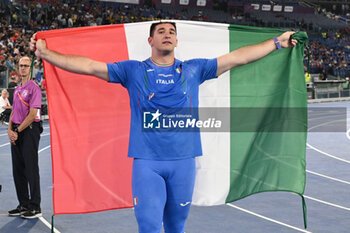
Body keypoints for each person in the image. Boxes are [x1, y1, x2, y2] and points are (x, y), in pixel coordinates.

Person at [31, 21, 297, 232]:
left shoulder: (194, 69)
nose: (167, 35)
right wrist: (46, 53)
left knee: (176, 227)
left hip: (184, 164)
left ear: (177, 40)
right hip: (148, 164)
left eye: (171, 32)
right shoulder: (132, 71)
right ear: (150, 40)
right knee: (148, 226)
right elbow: (88, 66)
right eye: (161, 31)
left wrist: (276, 43)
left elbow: (238, 58)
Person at [7, 56, 42, 219]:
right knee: (18, 170)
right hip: (17, 130)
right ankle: (23, 203)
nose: (23, 68)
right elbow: (14, 110)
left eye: (26, 66)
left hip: (29, 130)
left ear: (31, 67)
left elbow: (33, 113)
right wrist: (9, 129)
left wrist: (18, 131)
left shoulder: (34, 87)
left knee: (31, 169)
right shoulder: (17, 88)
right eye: (21, 65)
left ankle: (35, 206)